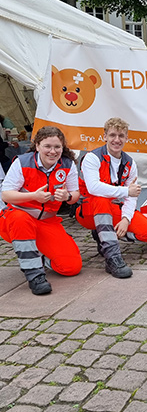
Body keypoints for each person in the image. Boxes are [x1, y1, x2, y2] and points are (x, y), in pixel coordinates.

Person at [0, 126, 81, 295]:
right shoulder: (22, 162)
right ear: (37, 146)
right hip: (17, 219)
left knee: (71, 267)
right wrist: (33, 197)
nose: (53, 151)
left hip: (47, 221)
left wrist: (67, 196)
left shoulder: (67, 164)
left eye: (57, 147)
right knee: (20, 219)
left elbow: (75, 195)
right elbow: (6, 195)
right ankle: (34, 275)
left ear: (62, 147)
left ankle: (40, 256)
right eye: (47, 146)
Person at [76, 117, 147, 278]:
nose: (116, 140)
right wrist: (125, 191)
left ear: (126, 138)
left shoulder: (129, 163)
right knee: (100, 199)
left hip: (111, 209)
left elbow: (132, 196)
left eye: (121, 136)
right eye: (112, 135)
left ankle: (102, 234)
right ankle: (113, 258)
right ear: (104, 136)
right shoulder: (92, 158)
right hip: (88, 210)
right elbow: (94, 188)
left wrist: (126, 219)